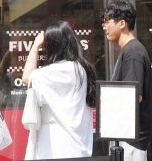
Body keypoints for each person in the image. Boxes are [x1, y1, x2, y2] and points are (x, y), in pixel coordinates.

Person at [21, 21, 97, 159]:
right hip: (77, 147)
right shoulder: (80, 68)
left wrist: (35, 46)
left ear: (52, 46)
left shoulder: (60, 70)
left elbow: (27, 77)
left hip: (58, 147)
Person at [101, 1, 152, 161]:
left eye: (107, 21)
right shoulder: (129, 50)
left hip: (130, 139)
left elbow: (133, 97)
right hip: (125, 135)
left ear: (122, 23)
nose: (104, 27)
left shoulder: (132, 51)